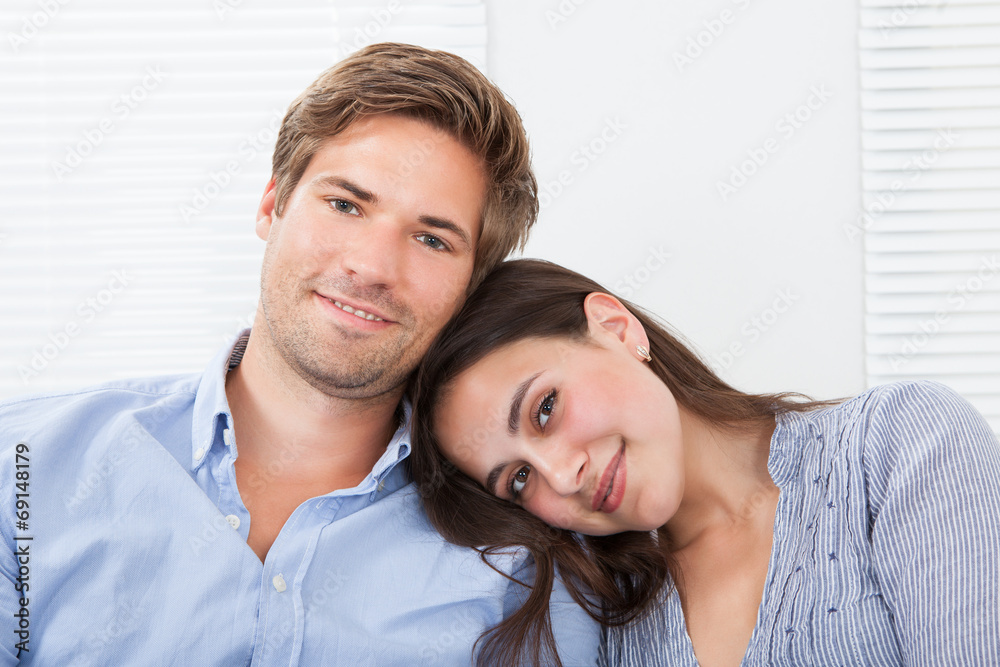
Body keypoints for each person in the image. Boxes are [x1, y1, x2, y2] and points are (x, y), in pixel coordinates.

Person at [0, 45, 600, 665]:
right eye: (345, 204)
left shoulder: (527, 558)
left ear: (471, 286)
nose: (371, 267)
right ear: (272, 205)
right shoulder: (22, 465)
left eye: (431, 239)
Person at [410, 258, 1000, 666]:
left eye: (544, 409)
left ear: (616, 330)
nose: (563, 477)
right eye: (519, 479)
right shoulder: (599, 613)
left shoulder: (899, 444)